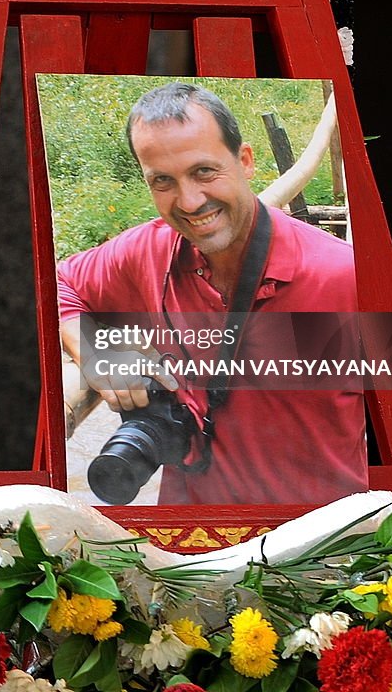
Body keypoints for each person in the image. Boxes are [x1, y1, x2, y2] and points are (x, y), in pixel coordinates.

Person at [57, 82, 368, 505]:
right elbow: (57, 284)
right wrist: (94, 355)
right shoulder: (149, 251)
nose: (188, 201)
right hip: (190, 553)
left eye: (204, 171)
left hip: (316, 548)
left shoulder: (344, 277)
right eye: (162, 181)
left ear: (245, 161)